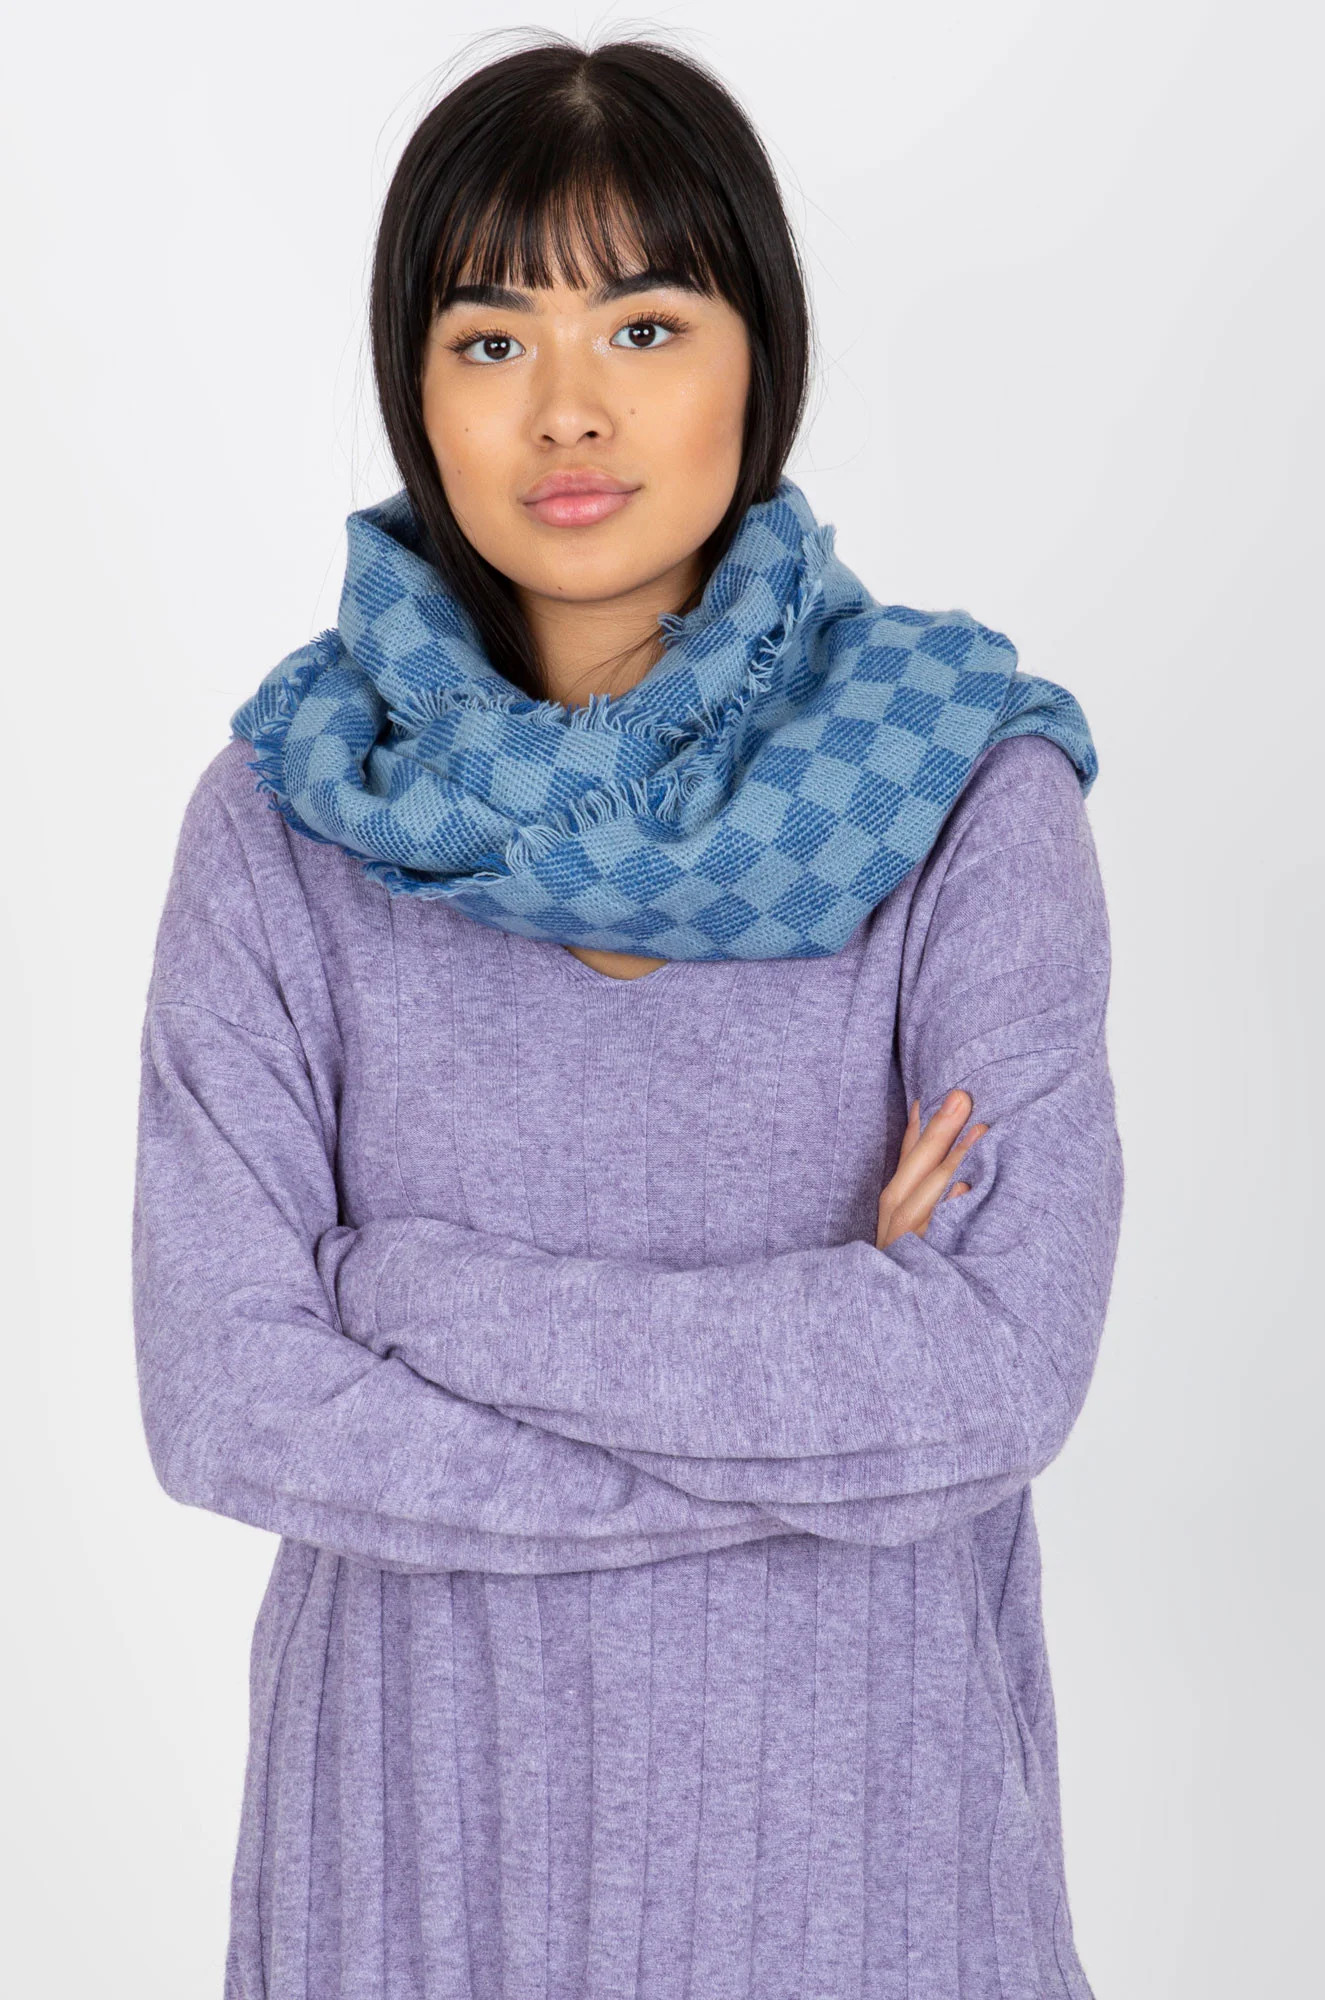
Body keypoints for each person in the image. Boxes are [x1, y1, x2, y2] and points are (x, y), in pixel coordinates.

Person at [131, 31, 1125, 2000]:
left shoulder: (961, 796)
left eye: (646, 327)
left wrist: (407, 1288)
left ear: (764, 357)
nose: (567, 410)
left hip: (870, 1887)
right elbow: (225, 1395)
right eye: (490, 339)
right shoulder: (288, 820)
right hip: (415, 1888)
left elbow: (997, 1373)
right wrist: (813, 1381)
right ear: (416, 390)